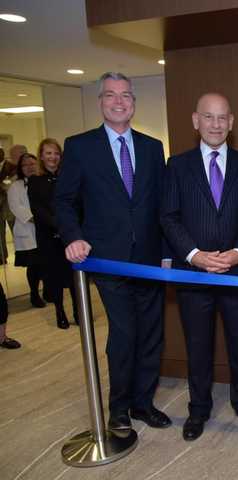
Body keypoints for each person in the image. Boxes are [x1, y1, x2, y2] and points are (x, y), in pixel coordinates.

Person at [55, 72, 170, 432]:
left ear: (133, 103)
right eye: (110, 95)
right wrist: (73, 236)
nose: (119, 102)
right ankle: (118, 408)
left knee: (152, 334)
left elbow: (162, 207)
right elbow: (63, 200)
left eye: (125, 96)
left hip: (150, 260)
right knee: (124, 334)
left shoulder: (152, 148)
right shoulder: (79, 146)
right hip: (108, 258)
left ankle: (143, 403)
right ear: (101, 102)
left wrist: (166, 254)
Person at [161, 93, 238, 441]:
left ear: (231, 122)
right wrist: (194, 255)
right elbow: (169, 217)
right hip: (193, 273)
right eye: (208, 117)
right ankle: (198, 409)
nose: (216, 124)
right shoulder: (177, 165)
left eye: (222, 118)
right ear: (195, 120)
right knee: (198, 344)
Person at [28, 139, 78, 329]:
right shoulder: (35, 181)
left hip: (70, 236)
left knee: (74, 276)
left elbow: (74, 204)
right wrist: (59, 225)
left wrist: (70, 228)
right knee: (55, 277)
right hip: (48, 236)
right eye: (48, 153)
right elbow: (38, 209)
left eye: (56, 153)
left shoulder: (67, 177)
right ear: (41, 156)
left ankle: (77, 310)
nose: (53, 157)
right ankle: (60, 311)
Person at [8, 152, 46, 308]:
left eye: (32, 164)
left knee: (46, 262)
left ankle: (48, 291)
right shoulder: (15, 187)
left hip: (45, 229)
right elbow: (16, 207)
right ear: (20, 168)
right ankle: (34, 294)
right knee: (34, 266)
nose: (30, 167)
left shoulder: (43, 182)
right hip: (28, 230)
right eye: (26, 165)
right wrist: (37, 219)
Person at [0, 144, 25, 264]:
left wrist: (4, 186)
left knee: (17, 232)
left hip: (13, 207)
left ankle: (21, 255)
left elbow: (8, 185)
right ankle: (2, 257)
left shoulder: (13, 167)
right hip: (2, 206)